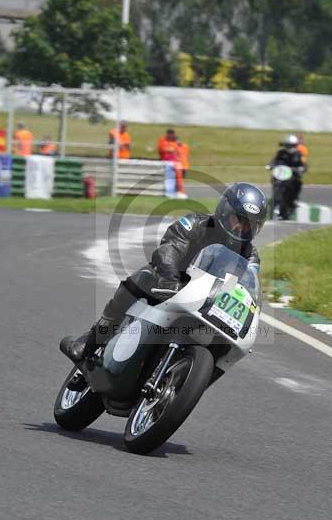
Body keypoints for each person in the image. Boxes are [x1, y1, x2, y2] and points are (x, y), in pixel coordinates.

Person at [60, 182, 268, 364]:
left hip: (208, 304)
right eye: (238, 220)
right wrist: (170, 279)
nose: (242, 228)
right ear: (224, 211)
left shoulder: (251, 257)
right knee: (139, 279)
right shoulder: (196, 224)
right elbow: (170, 247)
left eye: (249, 225)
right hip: (171, 283)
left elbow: (247, 289)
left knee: (223, 346)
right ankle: (91, 341)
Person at [268, 134, 307, 210]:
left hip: (292, 176)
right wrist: (270, 165)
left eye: (291, 145)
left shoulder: (298, 154)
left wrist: (301, 168)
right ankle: (275, 201)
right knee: (275, 182)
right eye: (288, 145)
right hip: (280, 175)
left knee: (298, 183)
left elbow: (304, 165)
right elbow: (274, 160)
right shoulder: (281, 153)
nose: (289, 147)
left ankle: (294, 201)